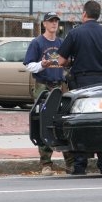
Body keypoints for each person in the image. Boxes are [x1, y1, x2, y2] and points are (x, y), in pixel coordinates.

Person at [57, 0, 102, 175]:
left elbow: (61, 61)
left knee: (80, 123)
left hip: (82, 85)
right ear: (98, 15)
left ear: (84, 14)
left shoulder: (75, 33)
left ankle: (80, 166)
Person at [23, 11, 75, 176]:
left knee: (63, 122)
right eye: (51, 21)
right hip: (43, 86)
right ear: (44, 24)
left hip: (60, 86)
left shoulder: (62, 42)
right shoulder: (37, 43)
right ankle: (46, 163)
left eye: (56, 21)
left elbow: (68, 62)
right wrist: (42, 65)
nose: (54, 24)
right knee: (43, 122)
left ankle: (70, 163)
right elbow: (28, 65)